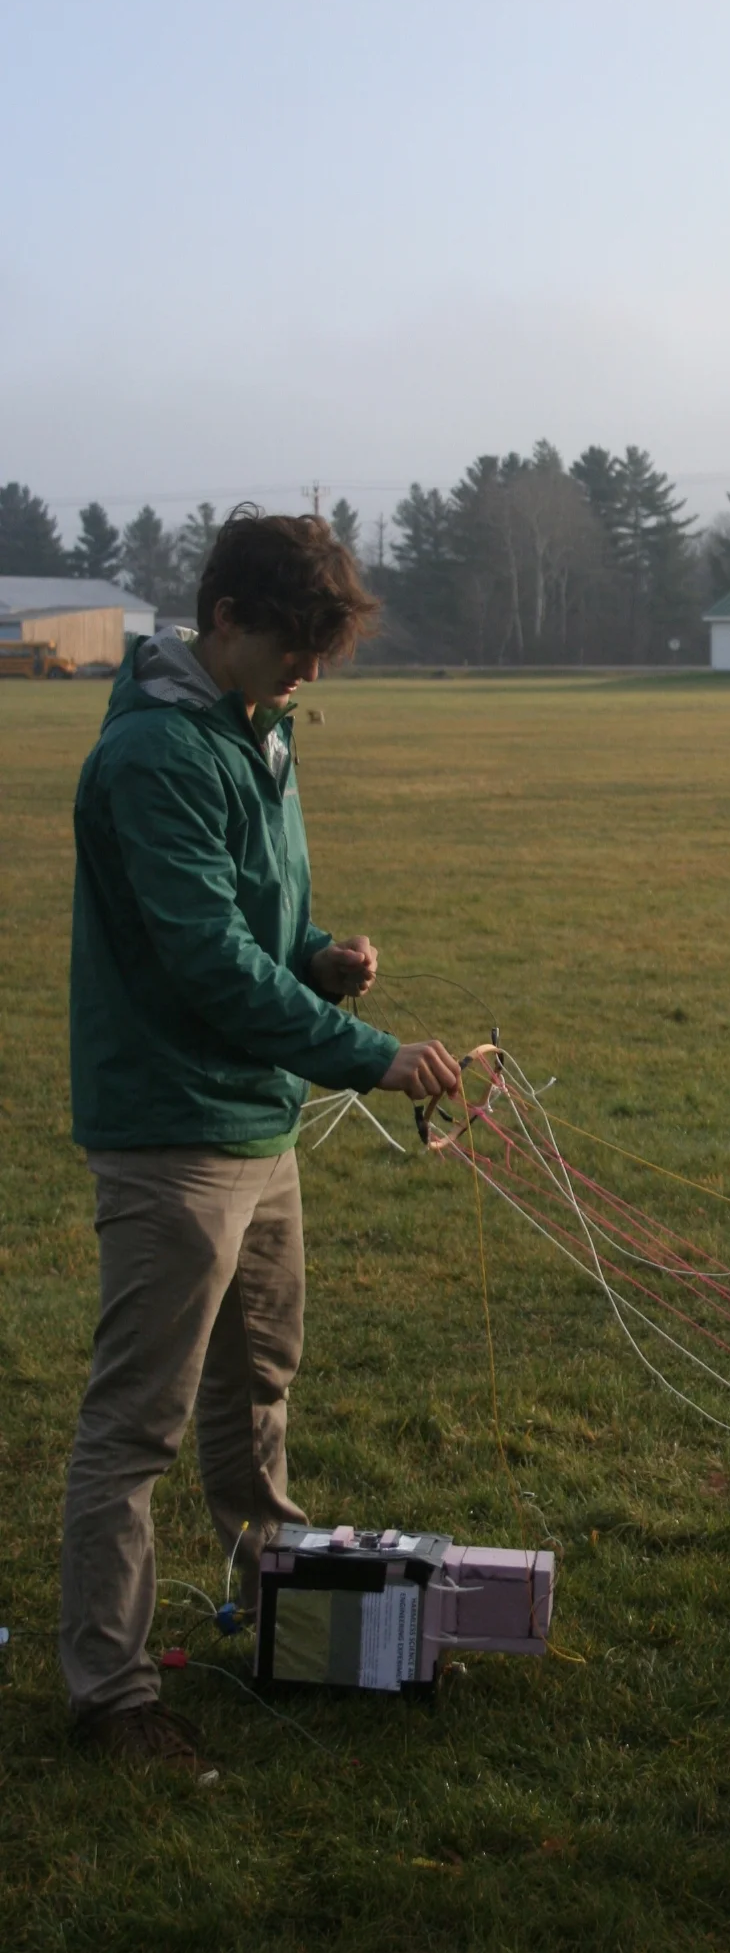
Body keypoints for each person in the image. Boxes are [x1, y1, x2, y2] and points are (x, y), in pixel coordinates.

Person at [62, 506, 462, 1772]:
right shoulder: (156, 756)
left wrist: (318, 955)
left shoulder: (257, 732)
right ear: (222, 618)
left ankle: (287, 1615)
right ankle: (112, 1693)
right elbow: (202, 962)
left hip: (257, 1120)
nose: (304, 676)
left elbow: (250, 930)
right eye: (289, 649)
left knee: (258, 1390)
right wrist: (370, 1050)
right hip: (173, 1132)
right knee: (137, 1425)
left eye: (318, 657)